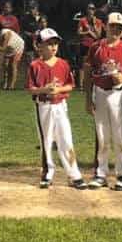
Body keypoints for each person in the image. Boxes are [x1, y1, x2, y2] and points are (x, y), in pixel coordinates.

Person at [26, 28, 86, 190]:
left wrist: (58, 90)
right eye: (49, 44)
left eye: (55, 44)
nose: (53, 47)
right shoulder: (35, 65)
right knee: (45, 140)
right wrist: (44, 89)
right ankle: (47, 173)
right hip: (43, 106)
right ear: (39, 46)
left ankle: (74, 174)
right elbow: (31, 89)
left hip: (60, 105)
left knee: (66, 139)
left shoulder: (63, 64)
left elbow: (70, 85)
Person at [84, 12, 122, 190]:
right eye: (112, 26)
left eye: (119, 27)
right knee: (101, 134)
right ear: (105, 26)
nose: (115, 30)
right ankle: (100, 173)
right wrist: (87, 99)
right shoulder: (96, 47)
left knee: (119, 135)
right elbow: (89, 74)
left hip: (118, 94)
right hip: (100, 92)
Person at [0, 23, 26, 90]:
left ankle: (11, 86)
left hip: (18, 47)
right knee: (6, 66)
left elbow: (3, 48)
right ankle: (5, 85)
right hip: (9, 49)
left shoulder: (6, 33)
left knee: (13, 65)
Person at [77, 3, 104, 79]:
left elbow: (99, 35)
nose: (91, 10)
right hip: (85, 44)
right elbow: (79, 32)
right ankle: (82, 84)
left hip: (95, 44)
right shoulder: (83, 20)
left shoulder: (98, 21)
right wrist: (88, 32)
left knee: (95, 63)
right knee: (84, 63)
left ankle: (93, 80)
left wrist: (94, 25)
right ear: (87, 10)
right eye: (89, 8)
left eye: (93, 9)